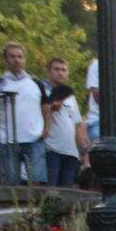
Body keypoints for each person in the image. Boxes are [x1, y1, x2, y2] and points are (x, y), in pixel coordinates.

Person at [0, 42, 50, 186]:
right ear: (6, 60)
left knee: (37, 181)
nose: (17, 60)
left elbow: (45, 106)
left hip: (34, 138)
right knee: (11, 184)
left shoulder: (36, 83)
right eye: (12, 57)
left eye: (20, 57)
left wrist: (46, 128)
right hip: (8, 140)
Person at [43, 58, 87, 188]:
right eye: (56, 69)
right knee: (50, 190)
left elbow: (77, 124)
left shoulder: (70, 97)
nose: (60, 73)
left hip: (70, 152)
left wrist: (83, 149)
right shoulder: (43, 92)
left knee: (67, 191)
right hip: (51, 149)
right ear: (49, 71)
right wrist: (50, 108)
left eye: (63, 70)